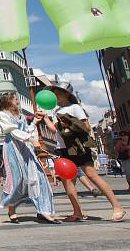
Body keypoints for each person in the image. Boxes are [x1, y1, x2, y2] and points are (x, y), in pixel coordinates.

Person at [40, 82, 125, 222]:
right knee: (67, 181)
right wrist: (45, 118)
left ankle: (117, 207)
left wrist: (69, 124)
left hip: (78, 147)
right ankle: (77, 212)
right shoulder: (56, 111)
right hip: (64, 148)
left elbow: (85, 126)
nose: (55, 96)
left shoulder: (75, 108)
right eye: (54, 94)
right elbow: (56, 131)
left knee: (92, 175)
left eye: (58, 93)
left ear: (66, 94)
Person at [0, 93, 59, 224]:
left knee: (39, 177)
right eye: (15, 99)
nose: (18, 101)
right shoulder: (3, 114)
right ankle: (11, 210)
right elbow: (13, 132)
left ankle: (43, 211)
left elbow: (27, 130)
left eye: (18, 99)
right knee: (17, 180)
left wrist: (35, 122)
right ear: (8, 101)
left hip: (25, 148)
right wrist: (29, 139)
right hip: (13, 149)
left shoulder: (21, 116)